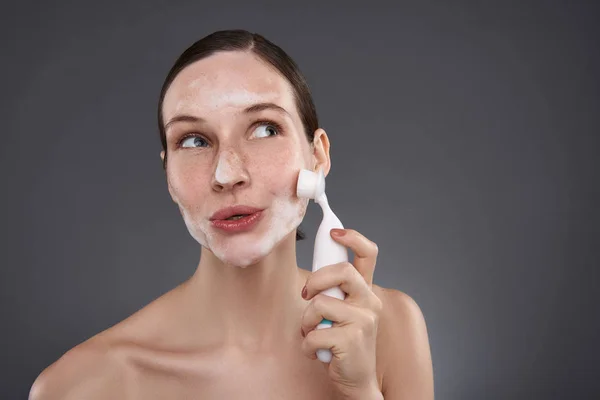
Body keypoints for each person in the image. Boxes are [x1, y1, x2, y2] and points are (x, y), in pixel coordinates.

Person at [29, 29, 434, 399]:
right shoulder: (81, 386)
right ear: (168, 175)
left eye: (264, 129)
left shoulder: (391, 328)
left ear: (318, 156)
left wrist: (361, 390)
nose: (226, 174)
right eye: (194, 140)